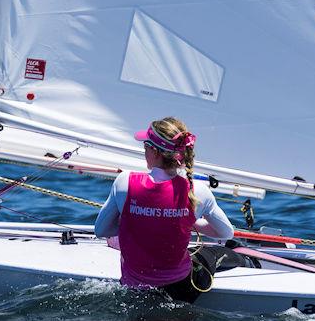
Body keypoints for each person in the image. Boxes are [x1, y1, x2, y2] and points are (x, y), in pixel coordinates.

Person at [94, 117, 236, 303]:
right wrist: (189, 221)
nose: (143, 150)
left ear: (155, 151)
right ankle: (251, 261)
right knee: (221, 252)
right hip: (182, 290)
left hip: (134, 291)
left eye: (145, 145)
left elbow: (101, 230)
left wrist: (137, 222)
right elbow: (226, 233)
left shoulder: (125, 182)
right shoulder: (198, 190)